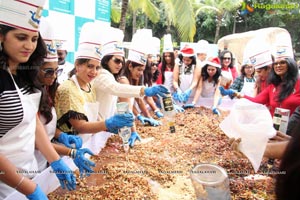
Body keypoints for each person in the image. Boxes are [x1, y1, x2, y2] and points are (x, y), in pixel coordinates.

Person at [0, 2, 75, 199]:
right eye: (21, 37)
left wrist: (55, 159)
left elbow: (33, 123)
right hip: (6, 184)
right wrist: (29, 189)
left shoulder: (24, 75)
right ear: (1, 35)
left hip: (29, 173)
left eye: (34, 39)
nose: (29, 46)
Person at [55, 22, 134, 143]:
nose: (94, 72)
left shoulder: (89, 86)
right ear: (77, 65)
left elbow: (94, 117)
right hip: (67, 148)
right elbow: (80, 126)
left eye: (97, 68)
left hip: (87, 142)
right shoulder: (68, 89)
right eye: (90, 66)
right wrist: (107, 124)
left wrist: (111, 127)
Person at [35, 18, 95, 177]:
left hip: (43, 162)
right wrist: (70, 152)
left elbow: (45, 125)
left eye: (56, 71)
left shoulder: (48, 91)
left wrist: (60, 135)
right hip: (22, 167)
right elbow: (34, 139)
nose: (54, 77)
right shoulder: (30, 95)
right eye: (48, 71)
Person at [90, 26, 169, 146]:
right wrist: (145, 90)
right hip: (96, 129)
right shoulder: (101, 74)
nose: (120, 65)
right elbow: (116, 89)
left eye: (122, 61)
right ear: (106, 60)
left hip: (104, 128)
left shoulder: (112, 76)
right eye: (117, 61)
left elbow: (123, 107)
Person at [220, 57, 300, 117]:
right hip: (276, 128)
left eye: (282, 63)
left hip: (295, 131)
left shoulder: (298, 84)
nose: (278, 66)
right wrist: (236, 94)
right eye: (275, 64)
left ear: (291, 65)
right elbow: (256, 100)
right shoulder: (272, 86)